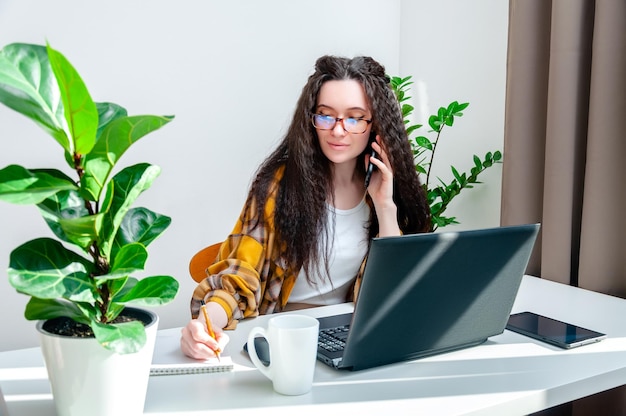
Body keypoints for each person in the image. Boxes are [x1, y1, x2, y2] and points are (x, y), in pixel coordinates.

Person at [180, 55, 430, 359]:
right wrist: (206, 324)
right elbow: (239, 275)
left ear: (374, 124)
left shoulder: (383, 190)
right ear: (310, 119)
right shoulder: (279, 184)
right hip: (284, 338)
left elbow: (391, 296)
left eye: (354, 118)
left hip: (352, 338)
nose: (338, 131)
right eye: (326, 115)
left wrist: (385, 207)